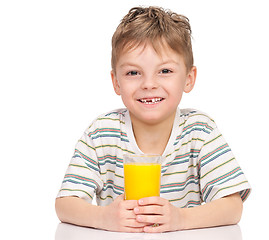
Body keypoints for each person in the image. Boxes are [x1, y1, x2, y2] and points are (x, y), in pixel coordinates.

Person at [55, 6, 251, 233]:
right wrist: (102, 217)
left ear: (189, 78)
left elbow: (233, 207)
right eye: (133, 73)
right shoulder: (101, 133)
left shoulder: (200, 131)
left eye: (165, 71)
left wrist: (181, 219)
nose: (149, 84)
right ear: (116, 82)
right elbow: (64, 204)